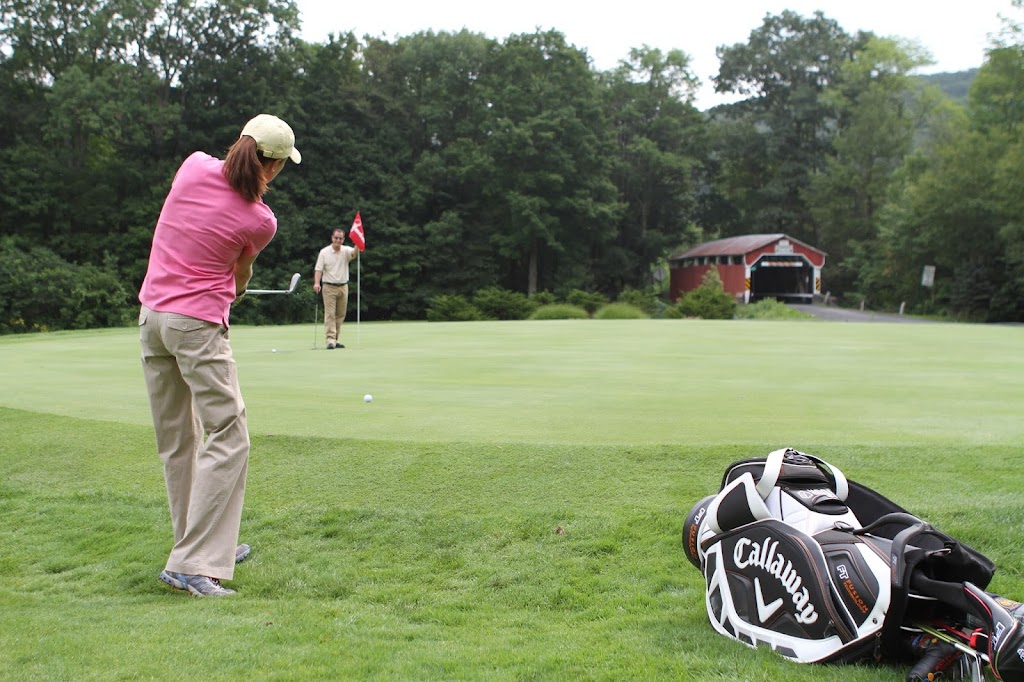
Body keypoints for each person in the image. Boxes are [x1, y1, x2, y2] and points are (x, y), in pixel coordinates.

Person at [138, 114, 301, 596]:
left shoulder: (191, 166)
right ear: (271, 166)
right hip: (197, 326)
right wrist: (236, 289)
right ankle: (192, 562)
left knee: (178, 441)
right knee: (229, 433)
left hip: (151, 320)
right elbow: (240, 276)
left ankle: (198, 546)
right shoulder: (260, 219)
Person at [313, 228, 358, 349]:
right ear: (332, 238)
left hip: (343, 286)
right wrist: (317, 283)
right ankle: (330, 340)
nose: (338, 240)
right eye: (336, 238)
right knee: (330, 314)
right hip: (329, 286)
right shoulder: (324, 252)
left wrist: (358, 244)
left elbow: (354, 253)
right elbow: (319, 269)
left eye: (340, 238)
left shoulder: (346, 251)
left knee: (340, 315)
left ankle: (335, 339)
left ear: (343, 239)